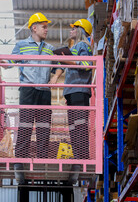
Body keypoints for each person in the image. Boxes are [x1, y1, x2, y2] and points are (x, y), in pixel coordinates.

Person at [9, 12, 63, 184]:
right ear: (34, 27)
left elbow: (61, 64)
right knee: (24, 126)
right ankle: (21, 160)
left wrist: (55, 77)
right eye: (44, 26)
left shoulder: (50, 48)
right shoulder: (21, 45)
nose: (46, 29)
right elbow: (8, 62)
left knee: (43, 128)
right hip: (28, 90)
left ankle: (42, 159)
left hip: (44, 92)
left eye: (46, 27)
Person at [61, 19, 93, 184]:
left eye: (74, 28)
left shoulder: (83, 46)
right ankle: (78, 155)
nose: (71, 30)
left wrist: (68, 60)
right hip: (72, 92)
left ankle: (82, 157)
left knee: (80, 126)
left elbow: (87, 65)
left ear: (81, 30)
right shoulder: (74, 48)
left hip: (80, 91)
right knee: (74, 128)